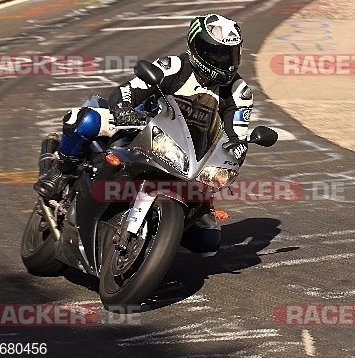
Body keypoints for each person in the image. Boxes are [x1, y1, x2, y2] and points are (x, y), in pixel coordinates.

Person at [34, 14, 253, 255]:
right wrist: (125, 110)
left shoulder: (238, 92)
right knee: (85, 120)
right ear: (196, 47)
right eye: (216, 53)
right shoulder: (175, 67)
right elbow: (129, 90)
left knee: (207, 241)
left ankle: (158, 236)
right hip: (144, 130)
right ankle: (61, 172)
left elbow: (236, 137)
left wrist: (237, 150)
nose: (224, 60)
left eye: (229, 54)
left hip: (191, 159)